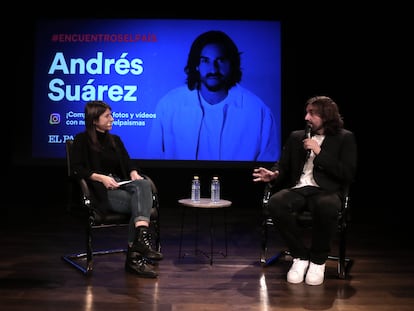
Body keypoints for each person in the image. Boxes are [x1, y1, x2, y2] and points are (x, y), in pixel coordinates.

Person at [252, 95, 357, 286]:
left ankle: (318, 260)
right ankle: (300, 256)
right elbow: (282, 165)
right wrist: (274, 174)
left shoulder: (344, 138)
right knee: (276, 202)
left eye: (312, 114)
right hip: (300, 188)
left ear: (326, 116)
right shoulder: (296, 136)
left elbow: (347, 173)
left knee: (326, 205)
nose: (306, 118)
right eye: (306, 113)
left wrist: (319, 152)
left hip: (327, 190)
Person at [146, 30, 279, 161]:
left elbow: (268, 167)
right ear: (196, 65)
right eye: (205, 61)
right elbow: (154, 157)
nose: (213, 69)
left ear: (232, 64)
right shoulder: (169, 105)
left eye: (220, 60)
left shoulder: (258, 111)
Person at [71, 100, 163, 278]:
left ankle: (139, 241)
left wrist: (133, 172)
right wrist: (101, 177)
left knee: (143, 183)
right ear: (94, 120)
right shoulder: (81, 140)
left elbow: (128, 163)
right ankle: (135, 256)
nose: (112, 119)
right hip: (100, 192)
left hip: (121, 186)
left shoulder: (116, 140)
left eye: (111, 115)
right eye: (107, 116)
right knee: (140, 205)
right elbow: (77, 169)